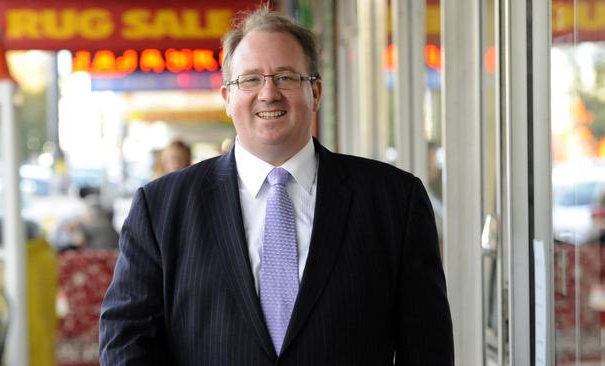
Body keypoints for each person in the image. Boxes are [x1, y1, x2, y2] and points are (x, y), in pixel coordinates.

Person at [99, 5, 454, 365]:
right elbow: (126, 340)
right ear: (228, 98)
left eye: (286, 77)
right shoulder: (161, 208)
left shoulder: (394, 201)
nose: (269, 93)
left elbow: (428, 347)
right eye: (250, 79)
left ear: (315, 93)